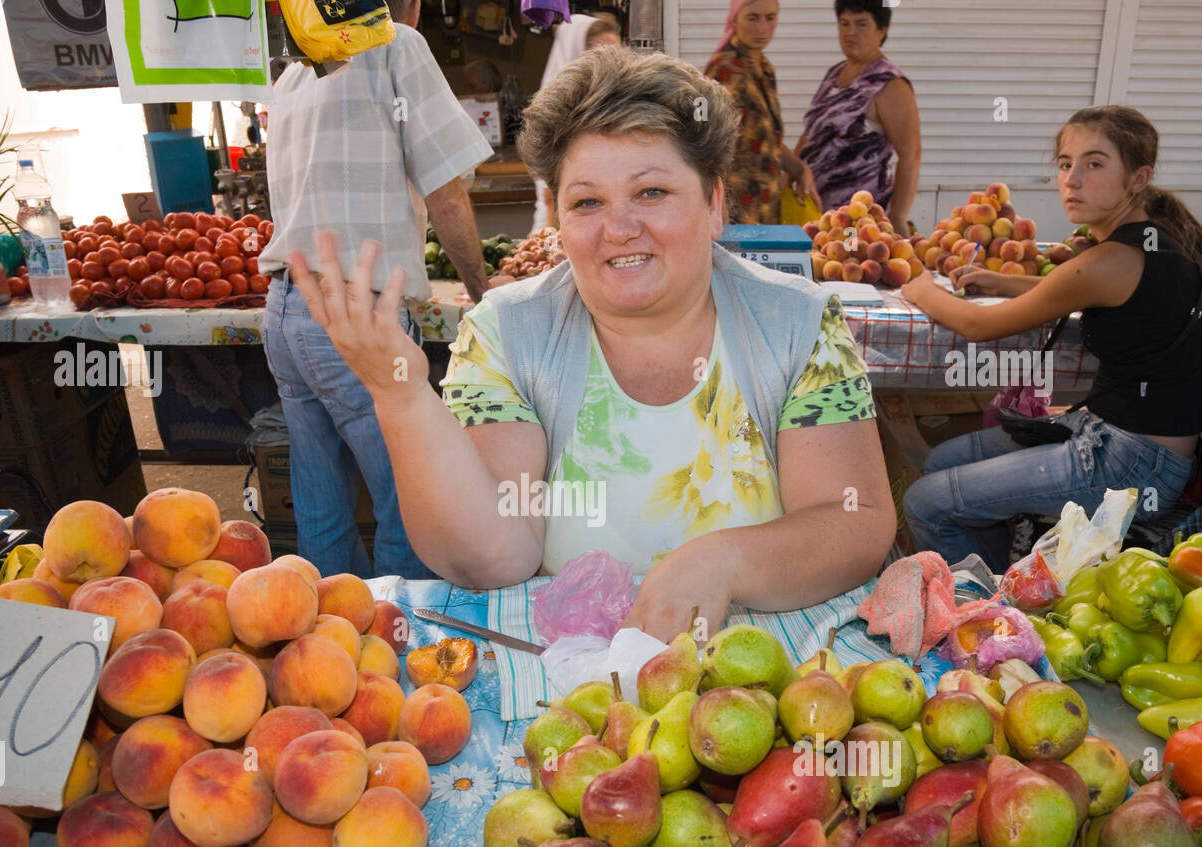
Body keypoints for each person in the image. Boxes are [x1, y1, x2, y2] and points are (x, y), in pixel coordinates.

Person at [286, 48, 895, 641]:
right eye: (587, 202)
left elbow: (855, 520)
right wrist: (401, 399)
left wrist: (723, 561)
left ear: (713, 204)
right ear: (558, 218)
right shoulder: (508, 333)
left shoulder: (798, 324)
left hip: (765, 696)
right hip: (573, 697)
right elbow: (492, 557)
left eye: (651, 192)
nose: (619, 228)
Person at [900, 106, 1202, 571]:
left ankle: (997, 614)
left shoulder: (1110, 260)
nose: (1072, 180)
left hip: (1131, 465)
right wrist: (1004, 282)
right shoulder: (1154, 242)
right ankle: (1006, 580)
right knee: (942, 458)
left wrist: (919, 287)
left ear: (1139, 178)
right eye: (1065, 163)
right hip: (1126, 441)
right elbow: (1081, 288)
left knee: (925, 502)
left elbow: (979, 326)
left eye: (1094, 164)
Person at [258, 0, 496, 580]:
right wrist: (485, 295)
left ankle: (331, 643)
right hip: (354, 319)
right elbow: (444, 187)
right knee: (411, 509)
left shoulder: (294, 73)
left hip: (286, 311)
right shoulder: (396, 46)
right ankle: (398, 646)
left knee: (322, 507)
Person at [796, 0, 920, 237]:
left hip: (862, 224)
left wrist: (898, 217)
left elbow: (911, 156)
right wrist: (784, 182)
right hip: (820, 218)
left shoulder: (890, 84)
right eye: (844, 23)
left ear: (881, 30)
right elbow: (811, 133)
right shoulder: (835, 73)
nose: (850, 32)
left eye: (861, 24)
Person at [704, 0, 819, 225]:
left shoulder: (763, 67)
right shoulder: (726, 69)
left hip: (765, 208)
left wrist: (799, 168)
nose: (762, 28)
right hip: (735, 215)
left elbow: (765, 140)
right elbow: (705, 142)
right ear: (734, 19)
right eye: (753, 18)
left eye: (770, 18)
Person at [530, 13, 622, 231]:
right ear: (576, 55)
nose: (614, 63)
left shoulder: (609, 103)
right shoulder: (558, 111)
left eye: (617, 53)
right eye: (601, 54)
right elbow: (550, 193)